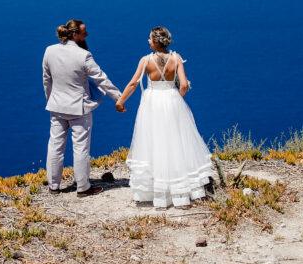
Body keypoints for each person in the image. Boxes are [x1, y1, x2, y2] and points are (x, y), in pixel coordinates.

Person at [115, 26, 215, 208]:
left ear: (155, 41)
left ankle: (156, 192)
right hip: (172, 99)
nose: (147, 41)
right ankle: (184, 191)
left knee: (154, 141)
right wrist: (176, 97)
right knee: (176, 141)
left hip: (152, 103)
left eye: (149, 39)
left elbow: (133, 83)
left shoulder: (146, 60)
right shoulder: (176, 58)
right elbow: (183, 85)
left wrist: (120, 102)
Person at [42, 18, 123, 198]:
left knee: (55, 146)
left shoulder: (49, 51)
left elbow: (46, 80)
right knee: (81, 148)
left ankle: (53, 186)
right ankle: (83, 187)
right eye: (84, 32)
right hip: (79, 108)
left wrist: (51, 100)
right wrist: (119, 97)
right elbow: (101, 78)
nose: (87, 35)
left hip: (56, 106)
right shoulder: (83, 56)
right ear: (75, 34)